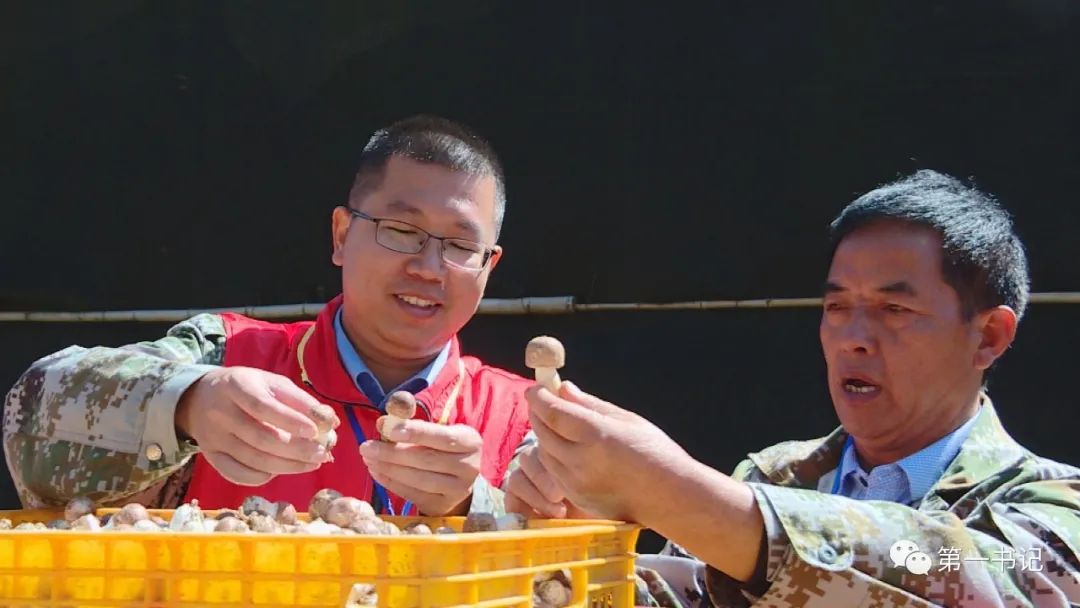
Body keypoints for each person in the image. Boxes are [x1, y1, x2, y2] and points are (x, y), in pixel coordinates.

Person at [506, 170, 1080, 607]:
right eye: (837, 307)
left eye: (894, 308)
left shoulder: (1051, 506)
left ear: (989, 336)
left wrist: (662, 488)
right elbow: (677, 592)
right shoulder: (772, 477)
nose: (854, 337)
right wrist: (584, 540)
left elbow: (952, 575)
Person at [3, 115, 532, 517]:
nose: (428, 267)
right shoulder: (227, 356)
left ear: (491, 264)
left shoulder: (527, 416)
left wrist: (473, 502)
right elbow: (30, 414)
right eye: (401, 231)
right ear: (342, 236)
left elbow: (586, 566)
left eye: (461, 246)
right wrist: (186, 404)